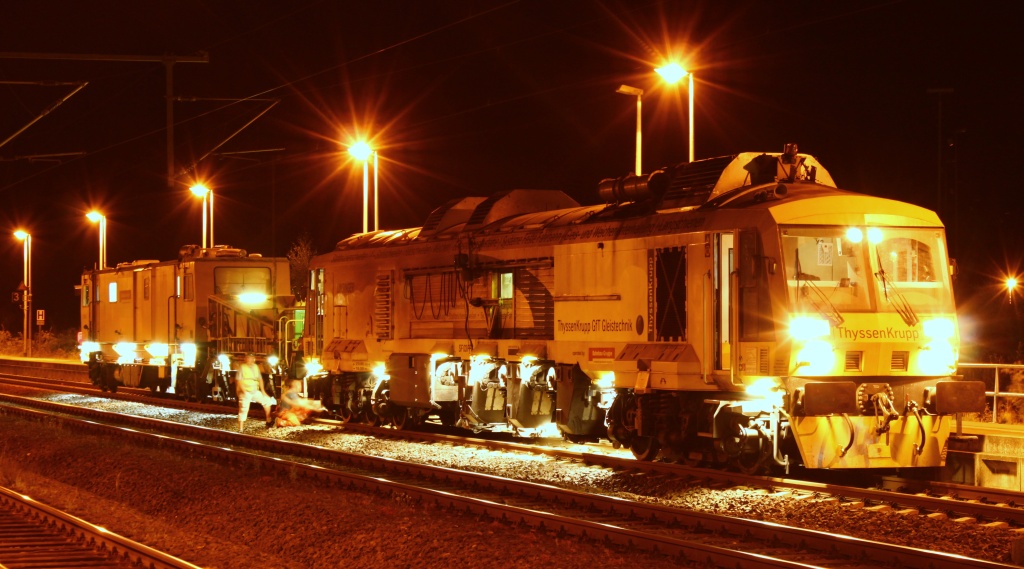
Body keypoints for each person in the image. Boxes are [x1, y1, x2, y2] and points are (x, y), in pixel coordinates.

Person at [235, 353, 276, 431]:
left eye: (252, 358)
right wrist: (243, 391)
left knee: (267, 401)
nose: (250, 359)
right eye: (248, 358)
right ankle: (240, 429)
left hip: (254, 391)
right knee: (243, 408)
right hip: (245, 391)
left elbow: (260, 379)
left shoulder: (255, 367)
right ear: (246, 359)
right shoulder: (242, 367)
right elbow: (239, 381)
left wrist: (263, 392)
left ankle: (268, 420)